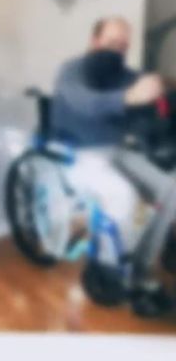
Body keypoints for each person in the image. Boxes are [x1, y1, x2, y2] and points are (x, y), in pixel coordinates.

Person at [50, 17, 167, 255]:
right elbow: (86, 104)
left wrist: (160, 87)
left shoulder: (125, 74)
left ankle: (144, 257)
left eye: (124, 46)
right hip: (78, 153)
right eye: (113, 42)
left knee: (169, 188)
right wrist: (129, 97)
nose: (119, 50)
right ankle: (108, 266)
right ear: (95, 41)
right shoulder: (72, 71)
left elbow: (150, 92)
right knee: (125, 196)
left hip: (117, 150)